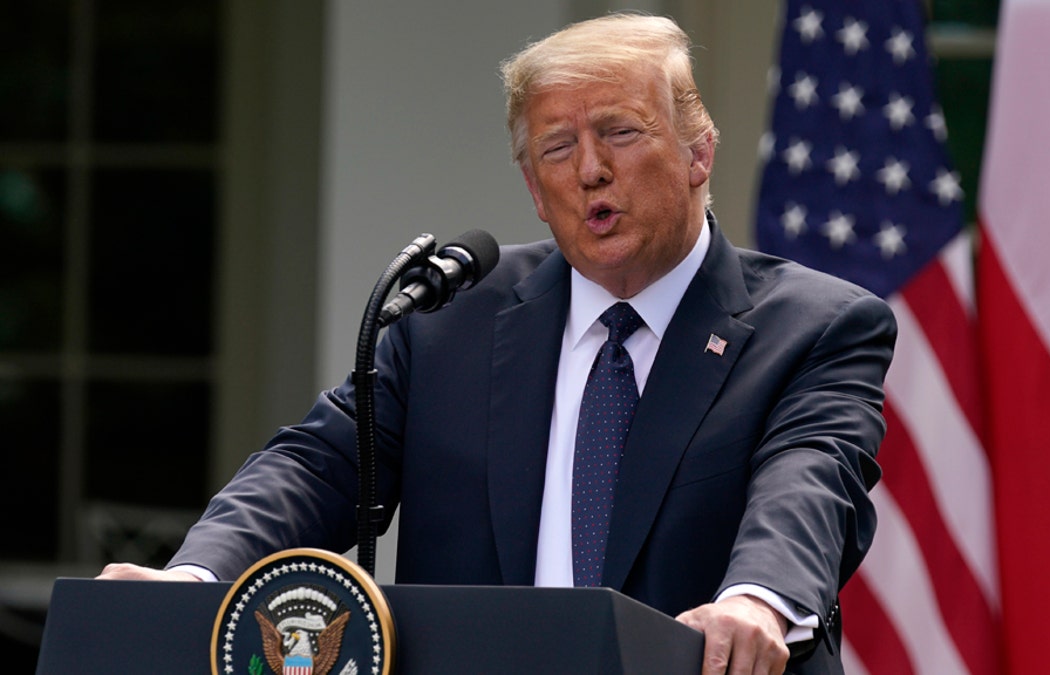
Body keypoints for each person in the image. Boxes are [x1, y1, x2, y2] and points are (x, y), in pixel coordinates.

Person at [100, 13, 896, 675]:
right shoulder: (447, 316)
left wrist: (755, 597)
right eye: (557, 147)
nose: (590, 169)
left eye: (620, 132)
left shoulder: (816, 328)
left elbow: (811, 482)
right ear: (532, 188)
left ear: (698, 153)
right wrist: (194, 578)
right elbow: (317, 466)